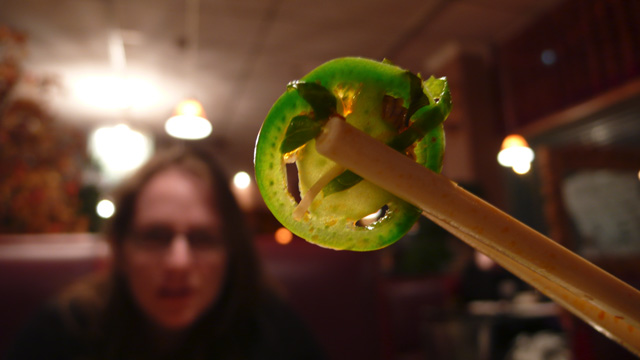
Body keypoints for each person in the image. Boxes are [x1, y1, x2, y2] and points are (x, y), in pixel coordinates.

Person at [7, 145, 326, 360]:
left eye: (202, 238)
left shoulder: (273, 332)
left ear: (231, 251)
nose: (179, 263)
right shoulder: (65, 332)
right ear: (120, 249)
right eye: (155, 236)